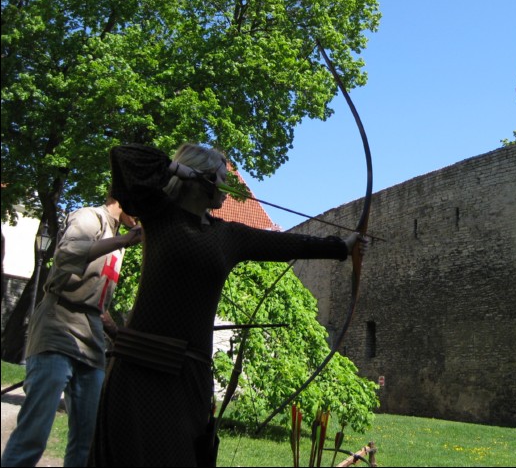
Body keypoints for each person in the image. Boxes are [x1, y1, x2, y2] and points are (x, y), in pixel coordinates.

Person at [89, 143, 364, 467]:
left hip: (189, 376)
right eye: (221, 177)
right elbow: (124, 157)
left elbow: (290, 243)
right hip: (140, 370)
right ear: (199, 178)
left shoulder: (228, 236)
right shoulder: (160, 213)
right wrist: (178, 170)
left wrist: (344, 247)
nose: (228, 187)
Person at [1, 197, 141, 468]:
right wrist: (124, 241)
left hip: (90, 342)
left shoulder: (118, 237)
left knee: (87, 441)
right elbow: (65, 254)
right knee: (34, 433)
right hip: (58, 327)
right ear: (124, 198)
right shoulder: (89, 218)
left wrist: (114, 331)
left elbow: (95, 297)